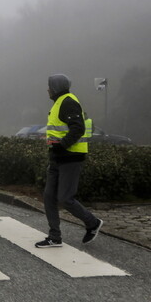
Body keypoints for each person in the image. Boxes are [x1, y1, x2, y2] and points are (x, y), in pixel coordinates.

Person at [35, 74, 103, 248]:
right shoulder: (59, 102)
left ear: (56, 87)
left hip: (71, 158)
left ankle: (93, 223)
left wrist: (62, 145)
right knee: (49, 197)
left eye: (49, 86)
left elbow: (78, 128)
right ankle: (54, 237)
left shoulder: (68, 102)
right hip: (57, 157)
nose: (47, 89)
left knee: (65, 198)